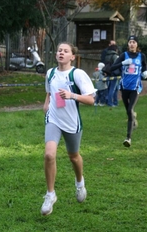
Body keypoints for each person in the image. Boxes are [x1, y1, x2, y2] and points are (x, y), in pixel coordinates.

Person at [41, 42, 95, 215]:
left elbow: (91, 100)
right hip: (54, 119)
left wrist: (72, 95)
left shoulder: (77, 74)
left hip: (72, 122)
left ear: (72, 56)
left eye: (65, 51)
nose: (61, 53)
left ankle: (80, 183)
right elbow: (49, 93)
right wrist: (46, 105)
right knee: (49, 154)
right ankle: (50, 195)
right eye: (59, 50)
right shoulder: (50, 73)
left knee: (73, 156)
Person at [108, 35, 147, 147]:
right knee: (128, 111)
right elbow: (111, 68)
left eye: (134, 42)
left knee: (130, 109)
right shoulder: (123, 55)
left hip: (135, 87)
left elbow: (144, 66)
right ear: (128, 44)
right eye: (130, 42)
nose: (132, 44)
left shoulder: (141, 56)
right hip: (124, 87)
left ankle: (128, 138)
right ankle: (133, 117)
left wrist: (145, 72)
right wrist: (123, 63)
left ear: (137, 44)